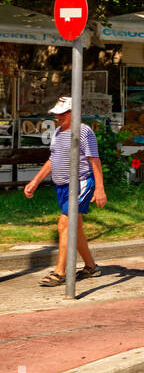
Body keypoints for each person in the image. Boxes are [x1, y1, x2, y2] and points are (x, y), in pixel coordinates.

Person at [23, 97, 108, 286]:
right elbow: (53, 159)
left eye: (62, 113)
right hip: (62, 186)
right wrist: (35, 181)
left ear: (74, 113)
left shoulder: (84, 131)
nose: (58, 117)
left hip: (80, 183)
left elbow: (94, 160)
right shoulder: (58, 132)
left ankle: (60, 272)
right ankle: (91, 267)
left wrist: (100, 188)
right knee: (75, 228)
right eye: (57, 114)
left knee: (64, 224)